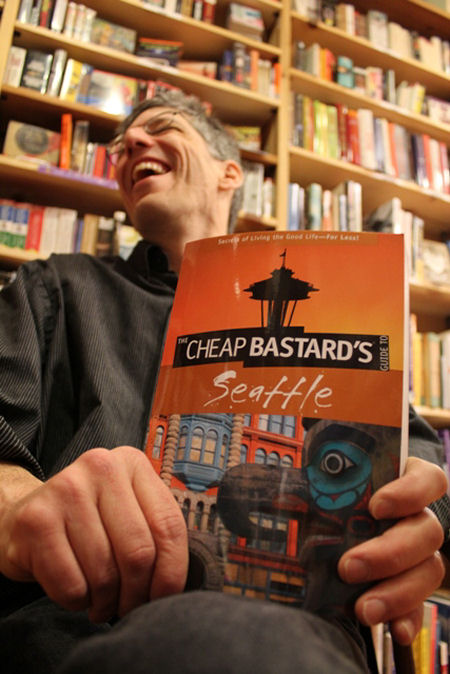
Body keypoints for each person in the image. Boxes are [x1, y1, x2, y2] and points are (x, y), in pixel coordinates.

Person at [0, 88, 448, 674]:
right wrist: (17, 504)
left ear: (229, 173)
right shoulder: (55, 286)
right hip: (72, 622)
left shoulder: (334, 304)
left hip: (296, 633)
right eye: (121, 145)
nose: (131, 143)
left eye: (163, 125)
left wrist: (417, 514)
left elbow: (418, 455)